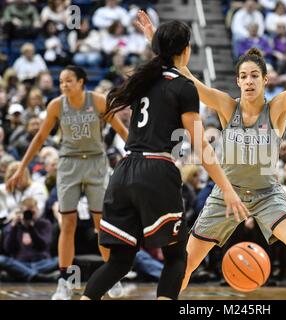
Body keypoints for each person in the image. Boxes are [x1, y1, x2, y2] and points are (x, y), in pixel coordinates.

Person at [138, 4, 286, 299]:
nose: (249, 81)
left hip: (267, 194)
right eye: (244, 76)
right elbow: (189, 81)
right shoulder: (227, 106)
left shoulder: (276, 109)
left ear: (265, 80)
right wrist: (156, 45)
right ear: (237, 81)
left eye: (254, 76)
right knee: (184, 263)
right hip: (227, 194)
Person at [80, 15, 248, 301]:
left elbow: (163, 70)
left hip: (124, 170)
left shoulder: (142, 80)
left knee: (119, 262)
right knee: (175, 258)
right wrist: (229, 190)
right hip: (156, 171)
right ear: (185, 50)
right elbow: (201, 147)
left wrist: (154, 41)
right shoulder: (184, 87)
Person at [6, 66, 129, 300]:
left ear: (81, 82)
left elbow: (122, 131)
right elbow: (40, 138)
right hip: (68, 165)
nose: (64, 85)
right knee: (68, 223)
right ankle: (64, 282)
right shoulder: (56, 105)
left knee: (101, 224)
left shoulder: (99, 101)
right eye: (61, 81)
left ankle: (111, 276)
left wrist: (139, 155)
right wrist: (21, 167)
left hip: (95, 163)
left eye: (69, 81)